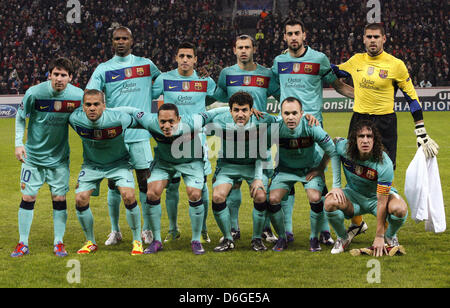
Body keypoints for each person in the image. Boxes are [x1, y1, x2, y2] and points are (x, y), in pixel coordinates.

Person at [333, 23, 438, 241]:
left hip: (385, 124)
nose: (372, 40)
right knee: (354, 169)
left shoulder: (396, 65)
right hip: (359, 119)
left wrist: (421, 129)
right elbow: (332, 72)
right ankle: (357, 224)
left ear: (384, 39)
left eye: (376, 37)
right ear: (363, 39)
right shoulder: (355, 61)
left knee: (384, 171)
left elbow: (412, 97)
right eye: (369, 36)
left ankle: (385, 231)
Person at [271, 19, 354, 247]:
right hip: (288, 123)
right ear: (285, 37)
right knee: (288, 172)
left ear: (304, 34)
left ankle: (325, 230)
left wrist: (364, 97)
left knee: (316, 174)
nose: (294, 37)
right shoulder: (279, 61)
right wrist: (287, 107)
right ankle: (287, 231)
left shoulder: (319, 59)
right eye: (289, 34)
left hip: (312, 124)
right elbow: (272, 86)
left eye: (297, 33)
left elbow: (336, 85)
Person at [86, 26, 161, 246]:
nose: (121, 42)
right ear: (112, 42)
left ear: (132, 41)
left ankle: (146, 229)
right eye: (117, 38)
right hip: (115, 137)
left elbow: (162, 81)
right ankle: (115, 230)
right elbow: (91, 94)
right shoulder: (103, 69)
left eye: (124, 38)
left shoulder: (146, 65)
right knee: (114, 185)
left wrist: (150, 95)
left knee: (145, 184)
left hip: (139, 135)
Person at [124, 103, 228, 255]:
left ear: (178, 119)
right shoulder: (150, 122)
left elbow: (214, 112)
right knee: (152, 193)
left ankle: (196, 240)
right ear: (157, 119)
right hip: (164, 163)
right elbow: (133, 110)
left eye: (171, 121)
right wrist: (106, 111)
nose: (166, 126)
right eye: (163, 122)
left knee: (194, 193)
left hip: (191, 162)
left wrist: (235, 108)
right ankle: (157, 241)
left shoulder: (194, 121)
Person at [12, 57, 84, 258]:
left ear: (70, 77)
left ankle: (59, 242)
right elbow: (20, 117)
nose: (59, 78)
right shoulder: (34, 93)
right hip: (32, 158)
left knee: (59, 199)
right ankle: (22, 243)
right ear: (50, 75)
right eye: (56, 74)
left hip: (59, 159)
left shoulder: (78, 96)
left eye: (63, 75)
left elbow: (83, 121)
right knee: (28, 198)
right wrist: (19, 143)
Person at [213, 34, 280, 244]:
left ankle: (266, 229)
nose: (243, 51)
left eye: (247, 47)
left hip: (260, 137)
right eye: (240, 47)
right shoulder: (226, 74)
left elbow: (281, 96)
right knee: (232, 185)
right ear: (234, 50)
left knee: (263, 186)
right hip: (234, 137)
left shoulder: (266, 74)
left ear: (253, 49)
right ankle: (233, 228)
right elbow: (220, 98)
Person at [152, 42, 216, 244]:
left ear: (196, 59)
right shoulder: (164, 79)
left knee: (201, 187)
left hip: (198, 140)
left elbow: (217, 97)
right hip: (170, 140)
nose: (185, 59)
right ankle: (173, 229)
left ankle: (203, 229)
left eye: (189, 56)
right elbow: (148, 97)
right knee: (171, 187)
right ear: (176, 58)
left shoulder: (205, 81)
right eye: (182, 56)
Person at [69, 89, 144, 255]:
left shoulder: (119, 119)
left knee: (129, 196)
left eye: (96, 104)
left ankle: (137, 240)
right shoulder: (75, 119)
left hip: (119, 164)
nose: (92, 108)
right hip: (91, 165)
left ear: (104, 106)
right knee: (80, 198)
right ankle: (90, 241)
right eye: (88, 105)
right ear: (83, 107)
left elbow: (142, 122)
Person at [324, 120, 408, 256]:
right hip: (353, 196)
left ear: (375, 141)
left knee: (400, 209)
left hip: (377, 199)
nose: (365, 140)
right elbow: (333, 146)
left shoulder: (384, 163)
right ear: (354, 139)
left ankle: (390, 235)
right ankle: (343, 237)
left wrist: (379, 236)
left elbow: (382, 201)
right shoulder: (344, 148)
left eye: (369, 136)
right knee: (329, 202)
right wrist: (336, 186)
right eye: (361, 136)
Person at [267, 97, 341, 252]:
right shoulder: (275, 128)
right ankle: (282, 237)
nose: (291, 117)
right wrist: (262, 176)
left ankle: (314, 238)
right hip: (285, 170)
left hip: (309, 169)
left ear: (302, 114)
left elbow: (333, 151)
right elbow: (261, 150)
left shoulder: (311, 126)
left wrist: (322, 169)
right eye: (286, 113)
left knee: (315, 197)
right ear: (281, 114)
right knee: (272, 199)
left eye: (294, 113)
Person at [208, 91, 276, 252]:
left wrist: (259, 178)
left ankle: (257, 239)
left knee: (260, 195)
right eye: (236, 110)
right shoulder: (219, 121)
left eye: (244, 110)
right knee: (217, 196)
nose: (240, 114)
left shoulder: (263, 122)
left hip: (253, 165)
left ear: (251, 110)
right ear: (230, 111)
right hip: (228, 165)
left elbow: (263, 151)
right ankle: (228, 239)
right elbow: (202, 118)